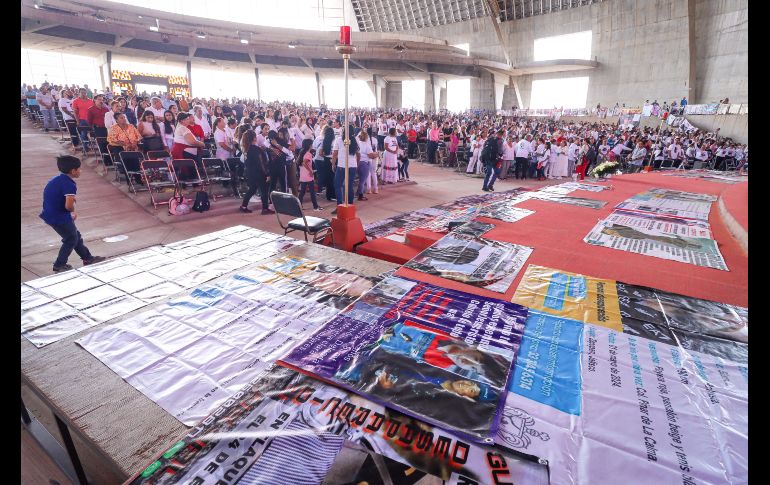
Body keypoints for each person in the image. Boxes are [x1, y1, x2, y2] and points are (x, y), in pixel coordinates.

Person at [40, 156, 105, 272]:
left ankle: (87, 258)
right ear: (73, 171)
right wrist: (71, 213)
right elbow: (68, 205)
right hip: (58, 217)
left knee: (75, 236)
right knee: (71, 239)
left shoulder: (57, 180)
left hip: (51, 214)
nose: (80, 171)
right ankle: (59, 264)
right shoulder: (69, 184)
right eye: (79, 169)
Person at [238, 129, 273, 214]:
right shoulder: (256, 149)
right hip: (259, 173)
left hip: (250, 173)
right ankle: (265, 209)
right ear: (254, 138)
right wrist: (267, 173)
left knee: (252, 189)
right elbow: (261, 163)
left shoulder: (246, 149)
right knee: (264, 190)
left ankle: (243, 206)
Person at [331, 124, 360, 213]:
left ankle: (339, 205)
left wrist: (333, 164)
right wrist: (356, 164)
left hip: (342, 165)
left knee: (338, 185)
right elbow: (359, 155)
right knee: (349, 186)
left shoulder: (339, 140)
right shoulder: (355, 140)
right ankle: (350, 205)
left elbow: (334, 154)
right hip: (352, 165)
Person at [298, 138, 322, 210]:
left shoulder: (301, 152)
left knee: (302, 191)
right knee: (312, 191)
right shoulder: (308, 154)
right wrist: (311, 171)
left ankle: (299, 205)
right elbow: (304, 163)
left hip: (303, 175)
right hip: (308, 175)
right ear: (309, 145)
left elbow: (300, 163)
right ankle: (315, 206)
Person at [357, 130, 377, 200]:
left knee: (360, 180)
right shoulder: (366, 145)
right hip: (364, 163)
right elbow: (371, 156)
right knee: (362, 180)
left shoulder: (358, 143)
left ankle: (358, 193)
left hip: (357, 162)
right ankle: (360, 195)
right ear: (366, 137)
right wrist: (376, 154)